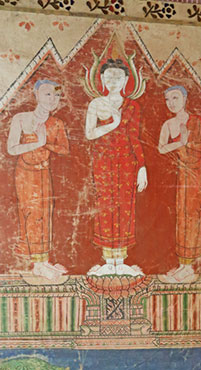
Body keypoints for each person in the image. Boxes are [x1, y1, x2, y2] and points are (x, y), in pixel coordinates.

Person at [85, 58, 148, 277]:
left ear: (126, 80)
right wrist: (113, 124)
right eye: (109, 76)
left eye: (118, 76)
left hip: (127, 162)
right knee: (105, 205)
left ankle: (120, 262)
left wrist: (141, 167)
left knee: (125, 206)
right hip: (103, 161)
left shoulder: (132, 106)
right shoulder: (96, 104)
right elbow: (89, 134)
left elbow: (134, 138)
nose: (113, 80)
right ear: (102, 79)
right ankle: (107, 261)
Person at [7, 79, 69, 282]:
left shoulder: (56, 123)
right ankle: (37, 265)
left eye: (56, 95)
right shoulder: (21, 118)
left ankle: (43, 261)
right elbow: (12, 149)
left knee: (45, 214)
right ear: (36, 95)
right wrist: (38, 143)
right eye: (47, 94)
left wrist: (47, 145)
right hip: (26, 173)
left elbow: (64, 149)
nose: (52, 99)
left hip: (44, 172)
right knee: (31, 213)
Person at [158, 85, 201, 284]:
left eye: (175, 98)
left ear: (185, 99)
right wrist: (180, 143)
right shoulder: (168, 124)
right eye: (168, 99)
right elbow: (162, 148)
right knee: (182, 214)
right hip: (183, 171)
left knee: (192, 213)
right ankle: (183, 264)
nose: (171, 103)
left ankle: (189, 266)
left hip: (197, 171)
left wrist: (187, 143)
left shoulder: (196, 121)